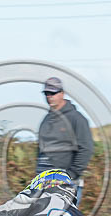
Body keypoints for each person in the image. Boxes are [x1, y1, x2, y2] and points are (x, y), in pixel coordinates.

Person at [37, 77, 94, 205]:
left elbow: (86, 148)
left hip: (67, 185)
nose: (49, 96)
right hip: (44, 185)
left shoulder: (77, 119)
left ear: (62, 93)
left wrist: (70, 175)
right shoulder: (46, 119)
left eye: (53, 93)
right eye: (47, 93)